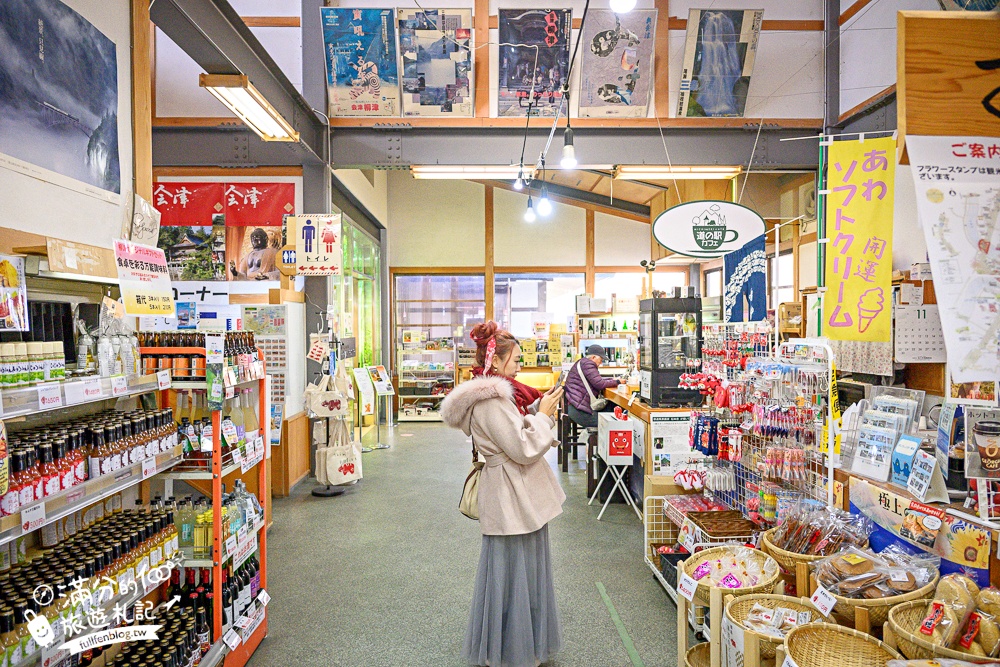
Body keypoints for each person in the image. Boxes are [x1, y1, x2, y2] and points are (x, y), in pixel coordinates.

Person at [441, 321, 565, 667]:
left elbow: (510, 438)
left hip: (509, 489)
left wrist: (533, 416)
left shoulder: (492, 397)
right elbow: (522, 449)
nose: (519, 365)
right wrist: (542, 417)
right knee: (516, 568)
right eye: (515, 359)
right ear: (495, 361)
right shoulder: (492, 401)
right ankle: (514, 650)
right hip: (512, 491)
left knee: (512, 569)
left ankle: (509, 644)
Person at [564, 344, 620, 429]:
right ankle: (595, 440)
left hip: (576, 406)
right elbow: (599, 384)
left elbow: (597, 379)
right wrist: (617, 381)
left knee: (611, 408)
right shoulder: (588, 364)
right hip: (580, 411)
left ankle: (596, 439)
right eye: (601, 359)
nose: (601, 363)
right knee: (611, 422)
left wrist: (612, 379)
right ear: (593, 357)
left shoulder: (583, 363)